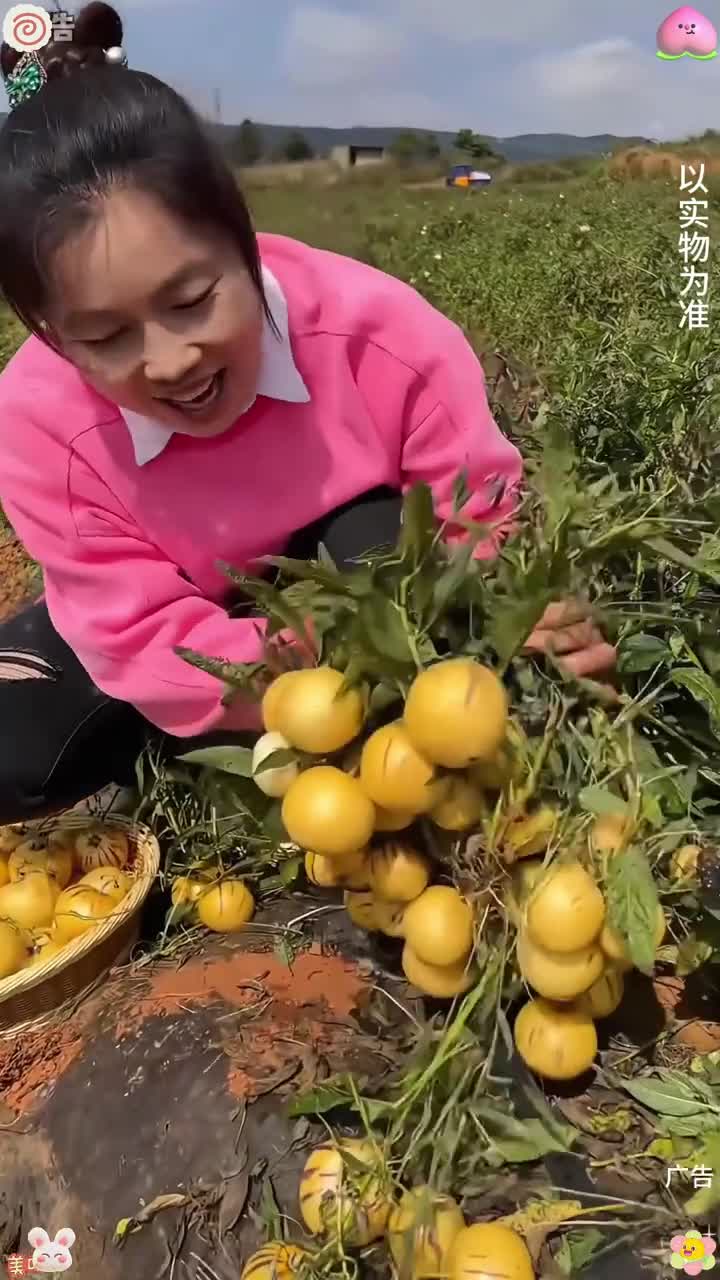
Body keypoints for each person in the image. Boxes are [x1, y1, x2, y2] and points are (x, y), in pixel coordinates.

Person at [0, 2, 615, 825]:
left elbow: (475, 519)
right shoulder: (41, 424)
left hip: (349, 588)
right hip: (174, 619)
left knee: (379, 541)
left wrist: (513, 621)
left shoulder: (381, 338)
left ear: (246, 243)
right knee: (15, 757)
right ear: (50, 335)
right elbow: (142, 641)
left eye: (192, 300)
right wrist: (308, 689)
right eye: (106, 337)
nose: (171, 361)